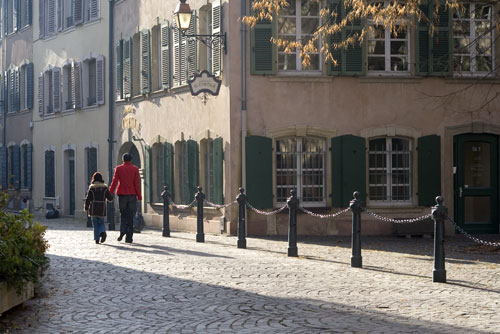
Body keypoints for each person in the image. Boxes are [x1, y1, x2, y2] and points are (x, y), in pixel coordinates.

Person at [109, 153, 142, 244]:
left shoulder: (119, 168)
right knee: (130, 216)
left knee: (123, 214)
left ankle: (122, 230)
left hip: (122, 194)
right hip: (132, 195)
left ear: (123, 160)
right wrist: (139, 196)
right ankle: (129, 237)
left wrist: (110, 193)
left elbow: (114, 181)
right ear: (131, 159)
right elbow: (137, 184)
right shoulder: (135, 169)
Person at [85, 172, 114, 244]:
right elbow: (110, 198)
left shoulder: (92, 188)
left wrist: (86, 208)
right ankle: (102, 232)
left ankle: (97, 239)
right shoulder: (105, 188)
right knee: (101, 222)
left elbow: (88, 199)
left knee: (95, 224)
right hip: (102, 207)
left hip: (93, 207)